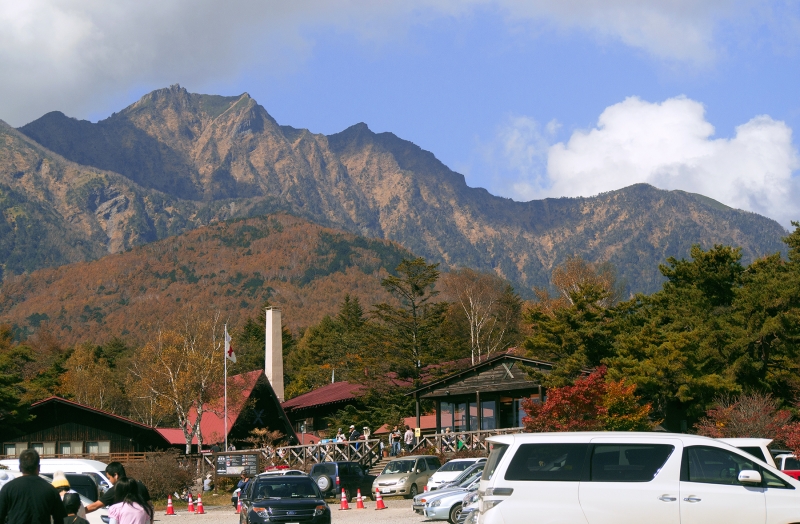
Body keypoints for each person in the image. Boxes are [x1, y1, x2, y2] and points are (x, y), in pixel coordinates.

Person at [0, 449, 67, 524]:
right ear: (38, 467)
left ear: (20, 467)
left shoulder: (8, 488)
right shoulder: (50, 489)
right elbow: (59, 519)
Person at [85, 462, 151, 514]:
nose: (109, 481)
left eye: (109, 478)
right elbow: (150, 506)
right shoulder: (140, 486)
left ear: (115, 475)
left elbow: (95, 506)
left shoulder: (116, 489)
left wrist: (79, 511)